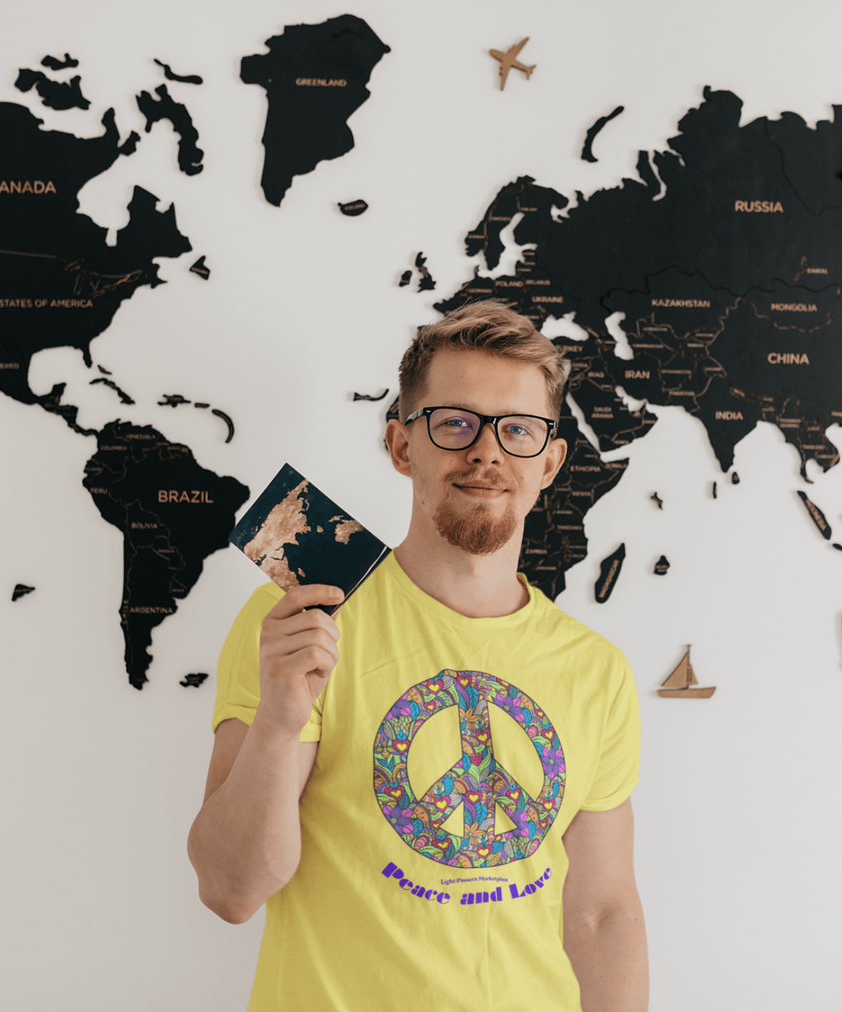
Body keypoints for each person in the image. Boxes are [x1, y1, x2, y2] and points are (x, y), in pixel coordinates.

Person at [188, 300, 647, 1011]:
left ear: (550, 460)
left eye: (517, 430)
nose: (486, 453)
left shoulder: (596, 669)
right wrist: (279, 722)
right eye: (455, 423)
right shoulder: (304, 617)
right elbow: (230, 891)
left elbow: (601, 914)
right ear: (403, 445)